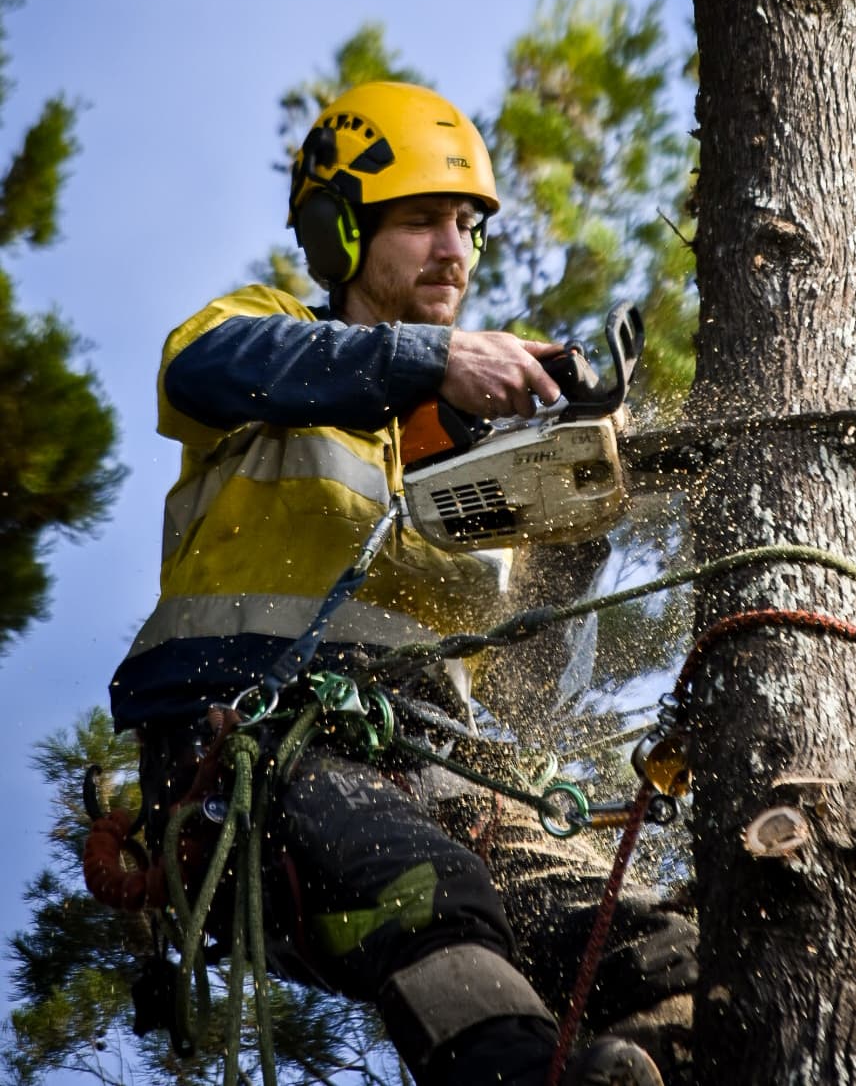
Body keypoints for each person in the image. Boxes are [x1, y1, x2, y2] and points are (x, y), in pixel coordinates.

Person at [110, 82, 697, 1086]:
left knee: (643, 934)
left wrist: (573, 513)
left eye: (465, 224)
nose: (455, 250)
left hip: (445, 764)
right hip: (257, 740)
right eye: (423, 220)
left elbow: (532, 672)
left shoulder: (470, 455)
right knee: (430, 893)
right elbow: (201, 370)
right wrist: (431, 359)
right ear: (341, 234)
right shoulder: (263, 340)